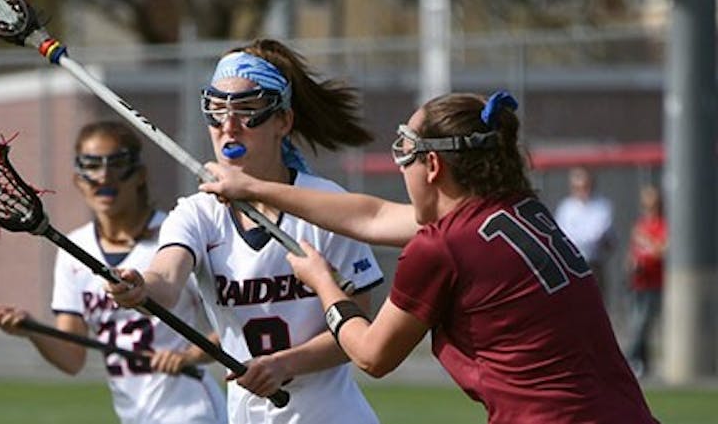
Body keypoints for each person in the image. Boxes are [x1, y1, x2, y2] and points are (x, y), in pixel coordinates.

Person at [202, 91, 658, 423]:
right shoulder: (520, 210)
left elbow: (372, 356)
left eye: (405, 155)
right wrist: (254, 188)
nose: (402, 170)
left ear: (433, 166)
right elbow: (371, 216)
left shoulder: (441, 247)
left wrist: (323, 284)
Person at [107, 39, 389, 424]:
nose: (229, 126)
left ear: (282, 121)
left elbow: (359, 330)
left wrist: (286, 364)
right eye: (217, 110)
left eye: (247, 110)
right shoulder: (196, 214)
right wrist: (139, 286)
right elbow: (165, 281)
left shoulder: (326, 204)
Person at [0, 120, 226, 424]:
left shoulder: (176, 236)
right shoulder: (74, 249)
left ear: (140, 174)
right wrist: (31, 330)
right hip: (133, 414)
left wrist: (191, 356)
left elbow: (238, 325)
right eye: (91, 165)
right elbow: (72, 357)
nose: (103, 177)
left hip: (191, 411)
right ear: (78, 180)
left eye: (116, 164)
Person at [624, 184, 666, 379]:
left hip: (654, 283)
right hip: (638, 282)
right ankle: (642, 363)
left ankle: (632, 359)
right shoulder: (640, 225)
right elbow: (633, 251)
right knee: (636, 323)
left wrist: (646, 241)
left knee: (642, 324)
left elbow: (661, 250)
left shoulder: (662, 225)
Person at [555, 166, 615, 288]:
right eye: (577, 187)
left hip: (593, 264)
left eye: (585, 186)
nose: (582, 191)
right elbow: (563, 234)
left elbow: (596, 235)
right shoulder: (566, 208)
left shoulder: (602, 206)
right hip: (571, 265)